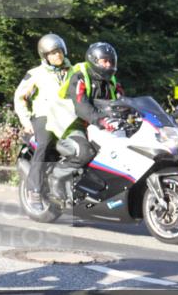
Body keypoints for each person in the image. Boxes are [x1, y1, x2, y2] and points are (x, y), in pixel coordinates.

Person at [49, 42, 125, 188]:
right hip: (72, 123)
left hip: (95, 124)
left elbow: (122, 101)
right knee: (86, 152)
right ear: (94, 60)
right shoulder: (79, 76)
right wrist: (101, 120)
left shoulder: (111, 81)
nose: (108, 65)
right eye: (105, 61)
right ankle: (56, 177)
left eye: (111, 61)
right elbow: (81, 106)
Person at [13, 34, 71, 210]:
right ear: (45, 56)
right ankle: (34, 190)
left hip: (68, 119)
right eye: (52, 53)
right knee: (44, 144)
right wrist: (25, 120)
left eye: (59, 51)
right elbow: (19, 97)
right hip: (44, 117)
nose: (57, 56)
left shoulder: (73, 71)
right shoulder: (35, 74)